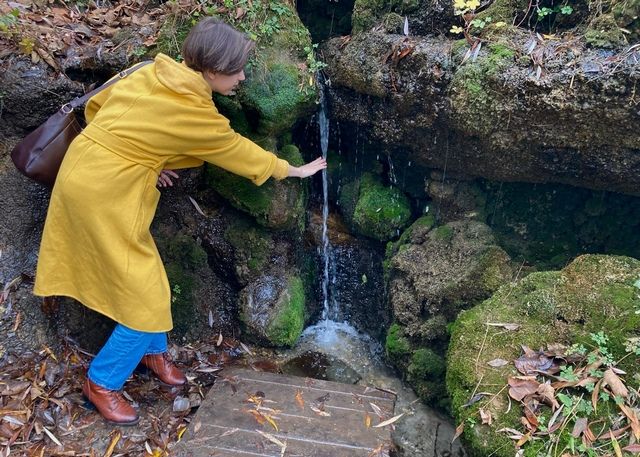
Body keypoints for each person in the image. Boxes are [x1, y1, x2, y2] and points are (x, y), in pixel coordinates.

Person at [33, 17, 327, 425]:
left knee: (147, 278)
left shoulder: (153, 70)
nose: (242, 77)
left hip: (85, 170)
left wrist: (146, 156)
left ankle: (151, 352)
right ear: (210, 70)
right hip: (104, 195)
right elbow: (238, 152)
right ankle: (102, 382)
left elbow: (100, 107)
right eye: (235, 70)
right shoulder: (194, 113)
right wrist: (293, 170)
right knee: (144, 298)